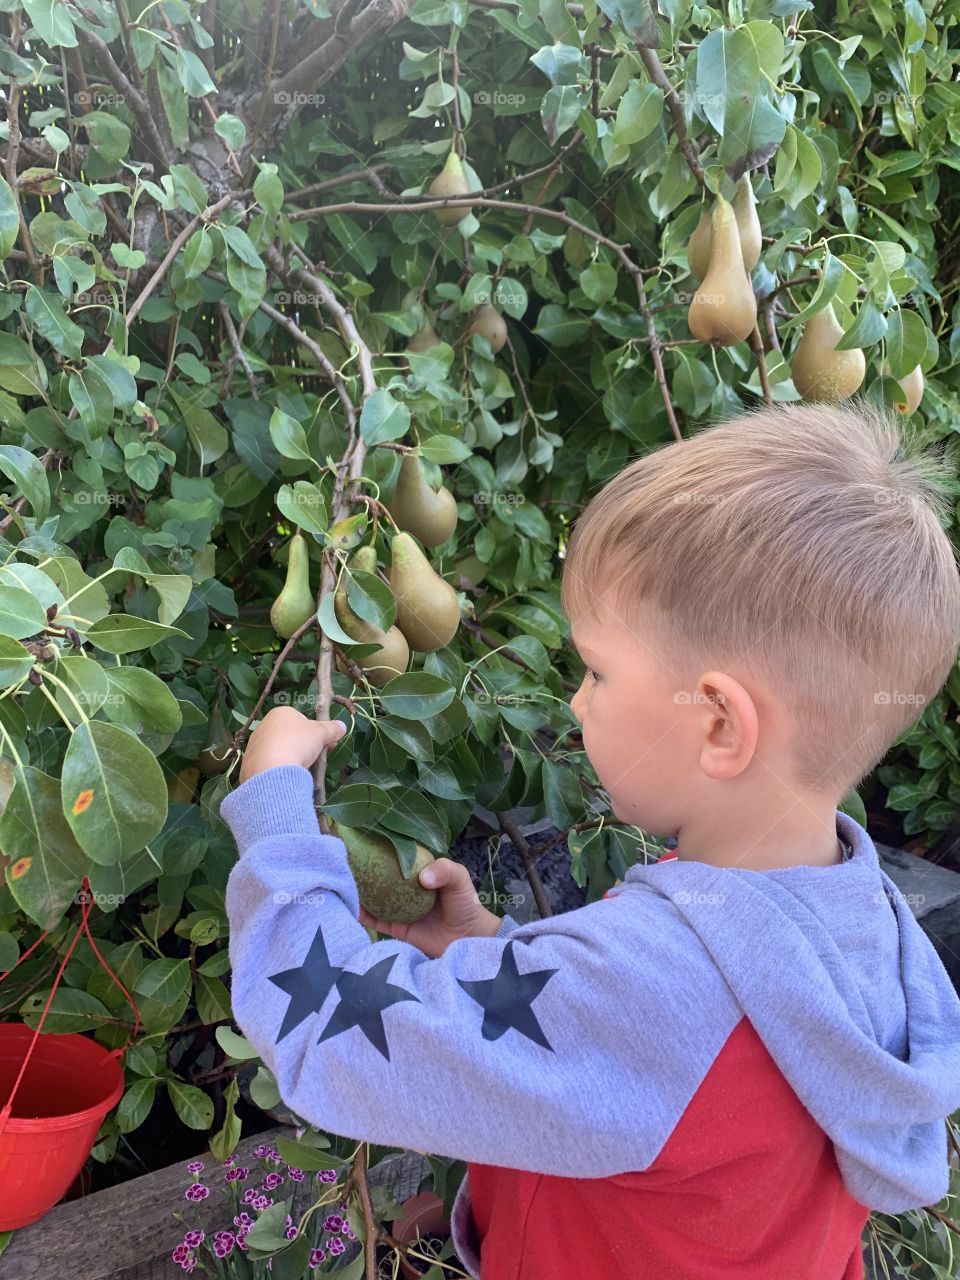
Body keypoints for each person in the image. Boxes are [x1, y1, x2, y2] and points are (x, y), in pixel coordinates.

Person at [220, 396, 960, 1280]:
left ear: (719, 724)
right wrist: (501, 953)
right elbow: (645, 1059)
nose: (576, 700)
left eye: (599, 671)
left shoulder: (653, 988)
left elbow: (326, 1030)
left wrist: (272, 814)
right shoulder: (864, 923)